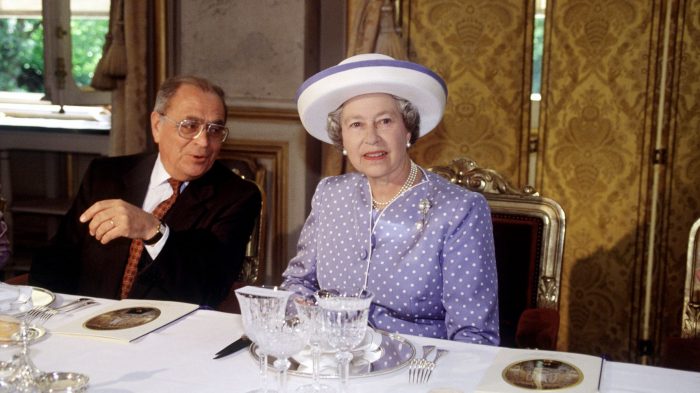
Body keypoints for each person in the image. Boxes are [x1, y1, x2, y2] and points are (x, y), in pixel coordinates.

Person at [281, 53, 500, 345]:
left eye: (384, 121)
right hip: (335, 362)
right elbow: (298, 282)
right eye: (356, 125)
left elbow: (474, 335)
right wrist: (304, 313)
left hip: (419, 372)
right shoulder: (330, 195)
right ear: (342, 139)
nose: (372, 138)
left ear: (407, 129)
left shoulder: (459, 210)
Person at [29, 75, 261, 308]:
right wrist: (49, 316)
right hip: (84, 324)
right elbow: (57, 259)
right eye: (190, 126)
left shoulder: (237, 196)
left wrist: (154, 230)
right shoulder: (105, 175)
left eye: (214, 129)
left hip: (167, 334)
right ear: (157, 126)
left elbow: (210, 287)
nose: (203, 142)